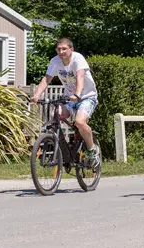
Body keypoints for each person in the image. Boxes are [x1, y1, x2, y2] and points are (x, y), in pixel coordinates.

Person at [30, 38, 100, 166]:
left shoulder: (78, 59)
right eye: (58, 49)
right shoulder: (55, 61)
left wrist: (78, 94)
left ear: (71, 49)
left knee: (79, 121)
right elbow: (47, 79)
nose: (61, 51)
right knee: (54, 115)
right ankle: (62, 149)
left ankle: (92, 150)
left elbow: (80, 76)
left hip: (86, 97)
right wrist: (36, 95)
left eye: (64, 49)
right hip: (69, 98)